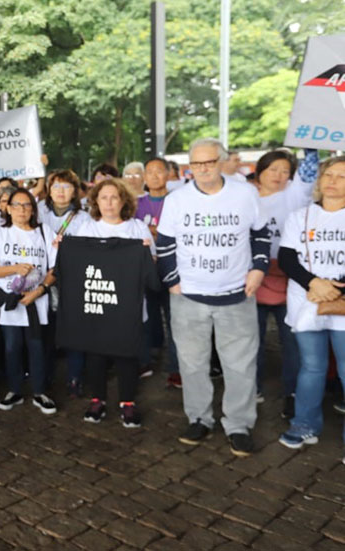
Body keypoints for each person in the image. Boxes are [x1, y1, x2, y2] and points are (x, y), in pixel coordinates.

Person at [156, 137, 270, 457]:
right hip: (188, 296)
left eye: (209, 162)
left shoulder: (245, 193)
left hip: (237, 293)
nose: (203, 169)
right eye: (196, 163)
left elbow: (261, 234)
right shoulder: (177, 200)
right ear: (189, 167)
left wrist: (259, 268)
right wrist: (172, 281)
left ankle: (238, 425)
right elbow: (165, 243)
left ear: (220, 162)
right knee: (192, 363)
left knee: (240, 365)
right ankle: (199, 418)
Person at [71, 179, 155, 427]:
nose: (109, 203)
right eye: (103, 198)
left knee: (127, 355)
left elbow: (151, 266)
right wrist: (63, 249)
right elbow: (76, 264)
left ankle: (127, 402)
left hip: (128, 306)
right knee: (96, 354)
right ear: (95, 202)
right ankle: (98, 399)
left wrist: (146, 253)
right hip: (97, 302)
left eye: (114, 197)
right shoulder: (87, 228)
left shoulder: (137, 228)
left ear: (123, 201)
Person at [277, 155, 345, 458]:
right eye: (328, 174)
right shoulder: (300, 216)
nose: (332, 181)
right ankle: (304, 424)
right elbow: (287, 258)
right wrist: (314, 284)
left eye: (341, 176)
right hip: (307, 302)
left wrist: (334, 289)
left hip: (340, 301)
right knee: (312, 366)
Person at [0, 187, 58, 415]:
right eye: (16, 205)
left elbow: (54, 269)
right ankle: (14, 389)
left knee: (37, 345)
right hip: (9, 300)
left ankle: (40, 391)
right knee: (12, 346)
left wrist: (40, 290)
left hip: (36, 299)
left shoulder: (44, 232)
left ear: (33, 209)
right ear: (8, 208)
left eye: (27, 205)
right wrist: (15, 268)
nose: (22, 210)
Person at [255, 149, 317, 415]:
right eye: (273, 170)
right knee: (252, 341)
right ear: (260, 172)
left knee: (292, 343)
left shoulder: (294, 195)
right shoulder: (246, 198)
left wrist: (310, 147)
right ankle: (252, 388)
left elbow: (309, 172)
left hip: (289, 278)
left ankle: (292, 392)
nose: (279, 176)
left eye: (285, 171)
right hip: (254, 278)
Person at [38, 170, 88, 396]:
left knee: (74, 330)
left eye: (67, 187)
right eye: (56, 186)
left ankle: (75, 377)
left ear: (75, 192)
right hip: (43, 279)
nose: (61, 191)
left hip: (73, 280)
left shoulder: (84, 218)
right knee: (47, 330)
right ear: (49, 190)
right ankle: (45, 375)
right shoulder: (39, 212)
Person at [138, 158, 180, 387]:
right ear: (144, 176)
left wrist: (153, 231)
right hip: (144, 268)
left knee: (175, 319)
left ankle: (176, 368)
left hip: (173, 267)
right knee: (146, 316)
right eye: (149, 172)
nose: (154, 176)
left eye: (159, 171)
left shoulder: (179, 201)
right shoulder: (136, 203)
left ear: (168, 174)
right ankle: (146, 359)